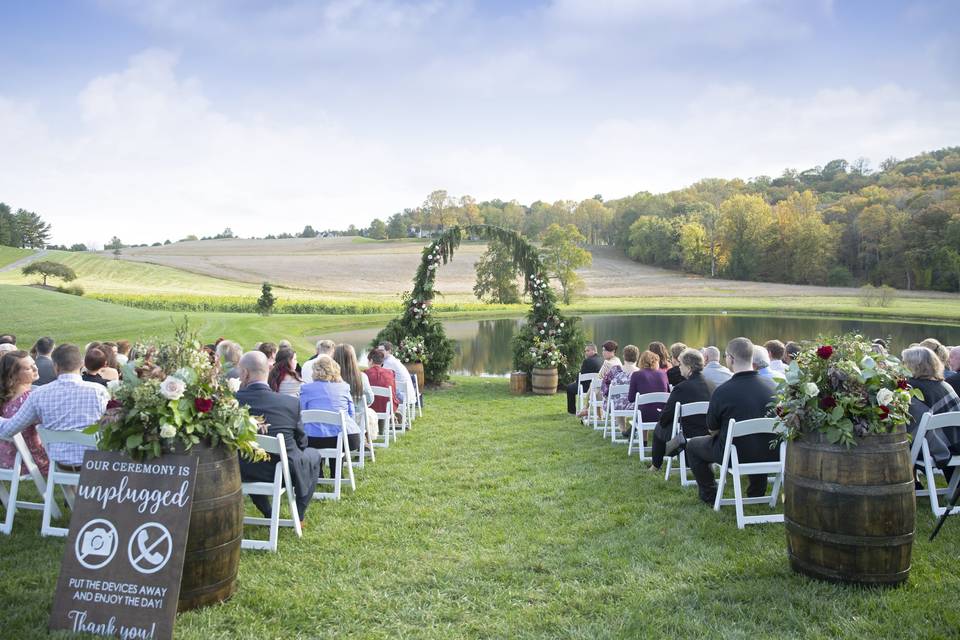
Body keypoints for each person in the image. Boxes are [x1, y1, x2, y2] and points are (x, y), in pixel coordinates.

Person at [685, 337, 778, 505]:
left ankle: (709, 495)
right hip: (771, 453)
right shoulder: (773, 386)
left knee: (692, 446)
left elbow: (712, 428)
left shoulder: (723, 391)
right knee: (757, 440)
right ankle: (757, 492)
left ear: (731, 358)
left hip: (735, 454)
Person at [235, 351, 320, 525]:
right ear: (268, 370)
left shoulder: (232, 402)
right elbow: (302, 442)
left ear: (244, 373)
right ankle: (299, 515)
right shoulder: (290, 403)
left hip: (241, 469)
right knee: (314, 455)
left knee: (250, 456)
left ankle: (268, 513)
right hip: (281, 471)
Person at [0, 344, 107, 469]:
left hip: (60, 463)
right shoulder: (99, 391)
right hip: (96, 463)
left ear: (55, 366)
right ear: (81, 364)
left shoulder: (39, 394)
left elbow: (9, 429)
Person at [650, 348, 711, 472]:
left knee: (659, 427)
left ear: (689, 368)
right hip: (709, 431)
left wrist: (662, 419)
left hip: (687, 433)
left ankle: (655, 465)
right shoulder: (712, 385)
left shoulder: (681, 388)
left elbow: (666, 416)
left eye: (681, 364)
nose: (679, 367)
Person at [300, 356, 362, 478]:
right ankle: (337, 473)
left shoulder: (305, 388)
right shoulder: (344, 387)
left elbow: (301, 414)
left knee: (313, 431)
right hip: (348, 437)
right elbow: (351, 414)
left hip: (314, 440)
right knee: (337, 431)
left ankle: (318, 472)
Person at [0, 351, 50, 478]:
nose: (35, 368)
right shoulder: (30, 399)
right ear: (14, 375)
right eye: (28, 368)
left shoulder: (7, 398)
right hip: (29, 462)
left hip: (6, 458)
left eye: (34, 364)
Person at [903, 346, 960, 452]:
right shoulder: (945, 385)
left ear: (912, 365)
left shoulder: (910, 388)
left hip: (933, 450)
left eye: (904, 362)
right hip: (955, 443)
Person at [333, 344, 378, 445]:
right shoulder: (361, 377)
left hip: (335, 418)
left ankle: (363, 441)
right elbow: (370, 399)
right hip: (358, 418)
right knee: (369, 413)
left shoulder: (330, 379)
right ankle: (364, 440)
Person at [627, 350, 669, 438]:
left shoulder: (636, 375)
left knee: (643, 409)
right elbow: (668, 394)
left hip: (644, 416)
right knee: (647, 408)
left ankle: (644, 442)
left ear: (641, 361)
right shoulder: (663, 374)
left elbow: (631, 398)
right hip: (662, 415)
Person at [599, 345, 640, 434]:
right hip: (635, 405)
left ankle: (623, 429)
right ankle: (629, 430)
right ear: (637, 357)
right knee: (623, 399)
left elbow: (604, 386)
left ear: (624, 356)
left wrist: (606, 396)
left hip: (616, 405)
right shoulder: (640, 373)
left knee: (617, 399)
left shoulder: (615, 370)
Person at [365, 348, 399, 435]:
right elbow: (394, 391)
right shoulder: (390, 373)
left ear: (371, 360)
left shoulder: (365, 374)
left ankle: (370, 431)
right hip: (388, 407)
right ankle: (381, 430)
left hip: (370, 407)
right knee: (384, 400)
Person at [566, 343, 603, 415]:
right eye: (585, 351)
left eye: (587, 351)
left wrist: (576, 381)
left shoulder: (587, 361)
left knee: (569, 388)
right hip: (599, 387)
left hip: (586, 387)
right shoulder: (602, 360)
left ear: (593, 350)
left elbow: (581, 376)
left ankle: (572, 411)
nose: (585, 353)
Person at [379, 341, 412, 406]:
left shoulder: (389, 362)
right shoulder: (390, 359)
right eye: (378, 350)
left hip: (403, 396)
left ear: (388, 351)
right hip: (406, 393)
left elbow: (381, 378)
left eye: (382, 350)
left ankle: (382, 413)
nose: (379, 353)